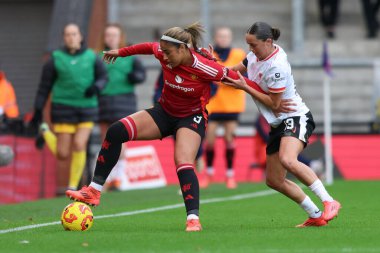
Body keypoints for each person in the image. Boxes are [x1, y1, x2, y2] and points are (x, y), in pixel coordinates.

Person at [66, 22, 283, 232]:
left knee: (183, 162)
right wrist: (121, 52)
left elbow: (236, 78)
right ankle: (93, 191)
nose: (164, 57)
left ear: (183, 48)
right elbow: (146, 47)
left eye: (169, 52)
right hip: (164, 112)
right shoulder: (164, 52)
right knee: (116, 131)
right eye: (163, 52)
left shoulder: (204, 66)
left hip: (191, 118)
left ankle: (193, 219)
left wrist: (270, 98)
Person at [224, 21, 341, 227]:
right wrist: (208, 64)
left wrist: (245, 87)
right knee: (274, 180)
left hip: (296, 117)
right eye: (248, 45)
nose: (250, 50)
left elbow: (275, 104)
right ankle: (315, 215)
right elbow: (231, 74)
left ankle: (329, 201)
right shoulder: (255, 55)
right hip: (278, 124)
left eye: (254, 45)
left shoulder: (276, 66)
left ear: (268, 41)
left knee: (288, 159)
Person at [31, 23, 108, 195]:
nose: (71, 37)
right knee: (63, 154)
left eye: (74, 34)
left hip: (87, 108)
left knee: (80, 144)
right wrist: (38, 110)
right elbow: (44, 87)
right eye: (67, 34)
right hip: (63, 108)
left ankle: (73, 186)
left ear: (80, 36)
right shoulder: (55, 58)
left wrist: (96, 87)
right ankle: (44, 130)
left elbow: (104, 77)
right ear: (63, 38)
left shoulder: (92, 56)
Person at [98, 24, 146, 190]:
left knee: (120, 139)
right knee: (104, 140)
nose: (111, 38)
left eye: (114, 35)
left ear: (120, 37)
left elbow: (141, 74)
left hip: (124, 100)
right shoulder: (98, 57)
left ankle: (118, 177)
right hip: (103, 101)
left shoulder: (130, 57)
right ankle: (107, 178)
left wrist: (136, 76)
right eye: (108, 35)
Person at [201, 27, 246, 189]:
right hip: (213, 104)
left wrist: (221, 79)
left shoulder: (239, 54)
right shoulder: (210, 55)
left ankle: (230, 175)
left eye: (226, 36)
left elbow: (242, 77)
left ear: (231, 38)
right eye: (220, 36)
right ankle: (209, 173)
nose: (223, 38)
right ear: (215, 37)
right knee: (210, 141)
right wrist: (225, 78)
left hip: (232, 105)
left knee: (229, 139)